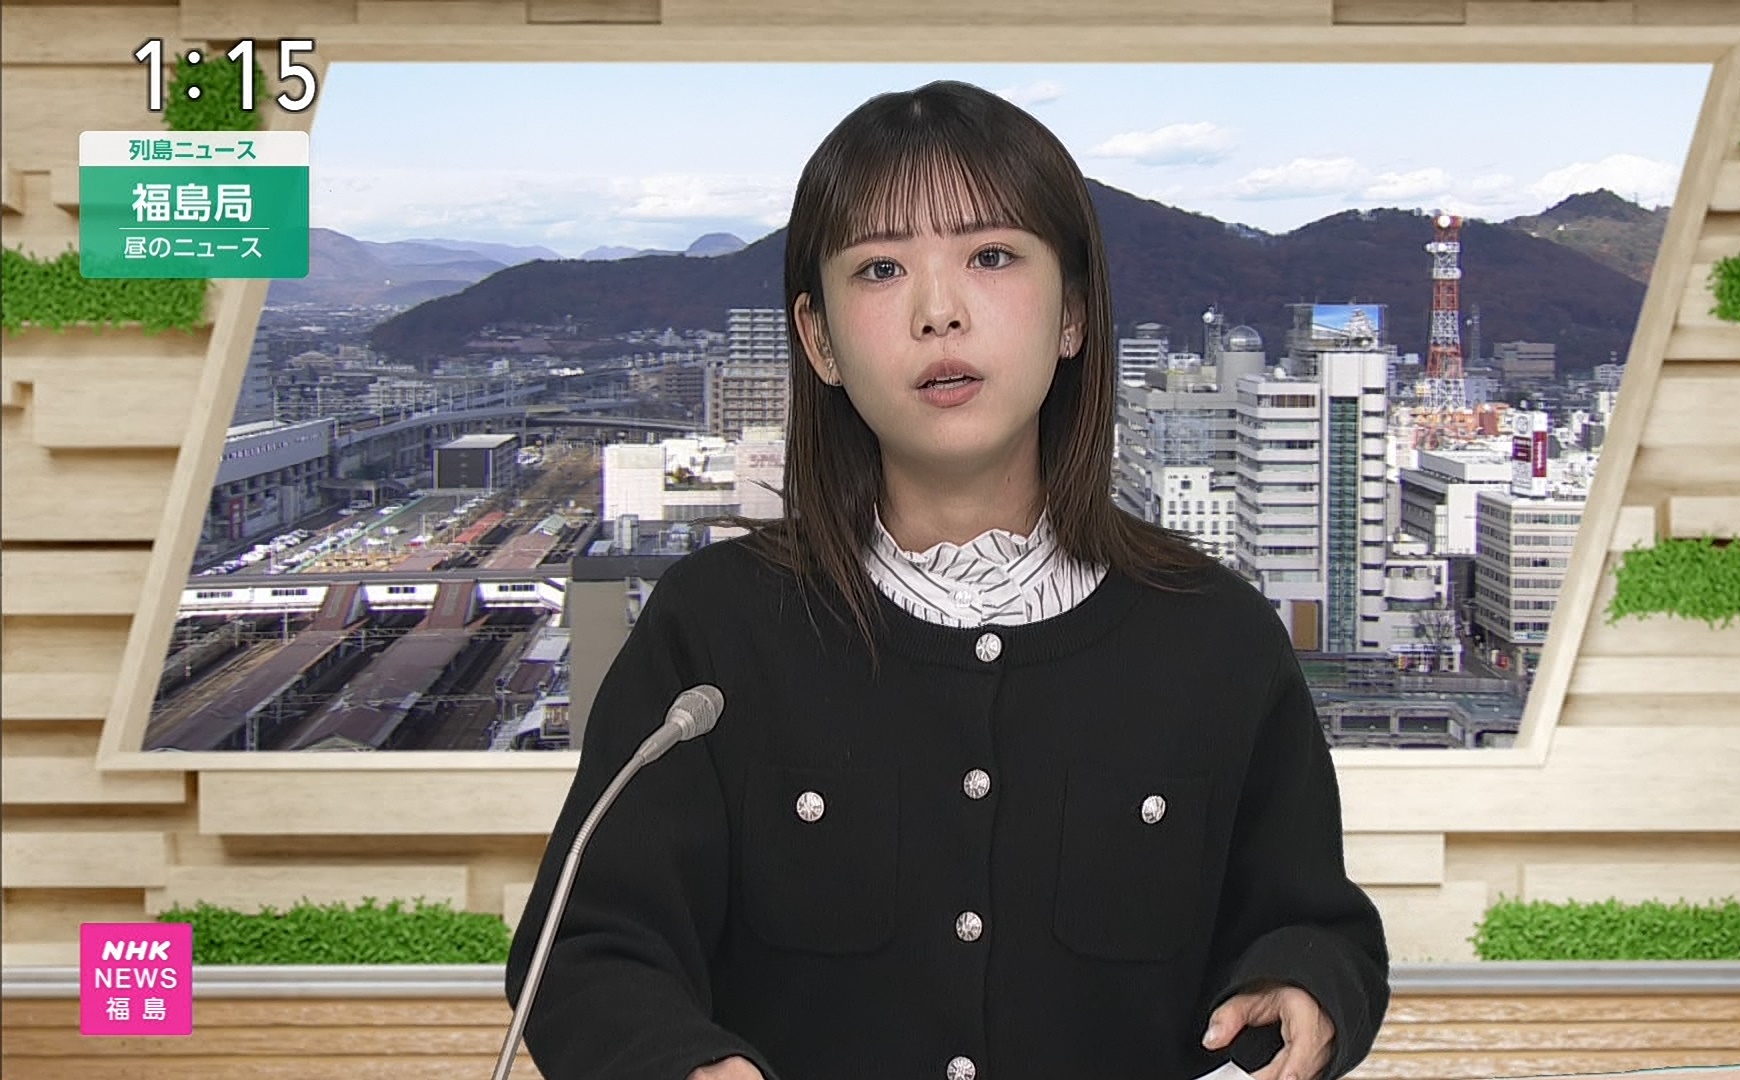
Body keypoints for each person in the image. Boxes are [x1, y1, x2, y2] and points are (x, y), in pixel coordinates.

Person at [505, 79, 1390, 1080]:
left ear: (1072, 314)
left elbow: (1313, 924)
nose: (939, 312)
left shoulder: (1214, 635)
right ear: (820, 340)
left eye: (992, 256)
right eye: (881, 268)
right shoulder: (713, 630)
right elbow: (587, 948)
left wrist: (1305, 982)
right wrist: (680, 1062)